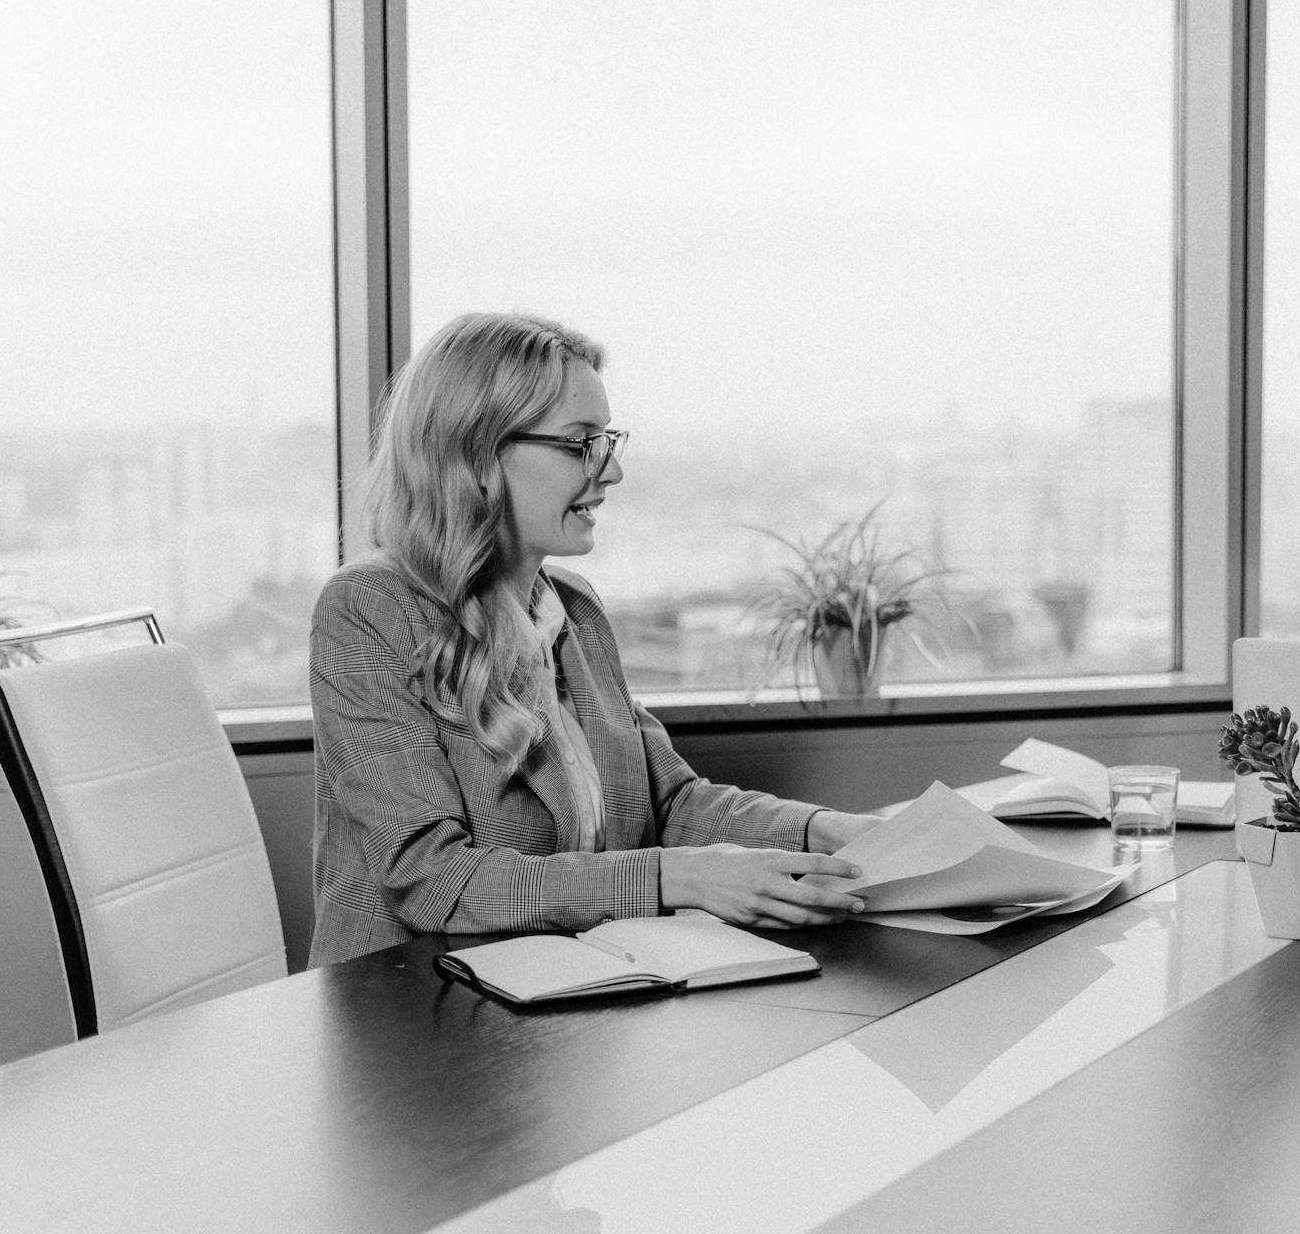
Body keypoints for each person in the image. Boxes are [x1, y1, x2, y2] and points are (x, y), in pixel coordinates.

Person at [308, 311, 880, 966]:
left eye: (608, 442)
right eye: (580, 444)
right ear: (477, 453)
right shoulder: (368, 611)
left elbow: (669, 805)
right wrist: (679, 878)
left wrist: (825, 833)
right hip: (411, 1015)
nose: (610, 474)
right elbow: (429, 878)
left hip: (569, 987)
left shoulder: (573, 610)